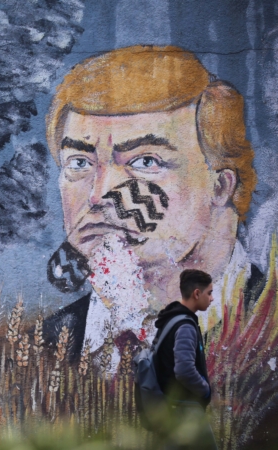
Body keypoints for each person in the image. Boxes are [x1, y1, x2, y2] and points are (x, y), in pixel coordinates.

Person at [41, 45, 263, 363]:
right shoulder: (42, 351)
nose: (100, 194)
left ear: (221, 186)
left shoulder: (268, 333)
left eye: (146, 161)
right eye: (79, 163)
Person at [153, 269, 217, 449]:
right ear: (197, 293)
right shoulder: (185, 325)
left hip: (170, 407)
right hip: (186, 410)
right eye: (209, 293)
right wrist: (204, 390)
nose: (212, 298)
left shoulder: (170, 320)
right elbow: (184, 370)